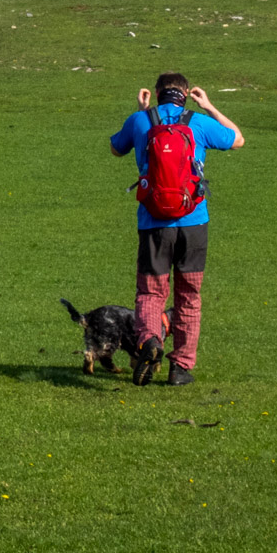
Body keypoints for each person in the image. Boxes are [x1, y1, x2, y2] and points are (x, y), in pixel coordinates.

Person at [108, 72, 243, 386]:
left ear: (157, 93)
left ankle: (150, 341)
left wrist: (141, 112)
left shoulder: (141, 121)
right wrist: (209, 105)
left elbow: (116, 149)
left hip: (153, 224)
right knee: (189, 297)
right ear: (185, 93)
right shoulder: (198, 122)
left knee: (151, 293)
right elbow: (237, 139)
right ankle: (180, 368)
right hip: (194, 223)